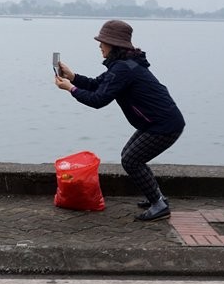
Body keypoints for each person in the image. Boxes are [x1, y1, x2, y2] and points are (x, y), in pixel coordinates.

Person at [54, 20, 185, 222]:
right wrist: (73, 77)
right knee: (130, 156)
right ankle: (157, 198)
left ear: (114, 45)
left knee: (131, 160)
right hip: (157, 122)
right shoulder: (124, 66)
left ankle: (159, 204)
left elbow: (98, 99)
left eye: (102, 42)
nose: (99, 45)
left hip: (164, 125)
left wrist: (70, 89)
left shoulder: (124, 69)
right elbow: (98, 84)